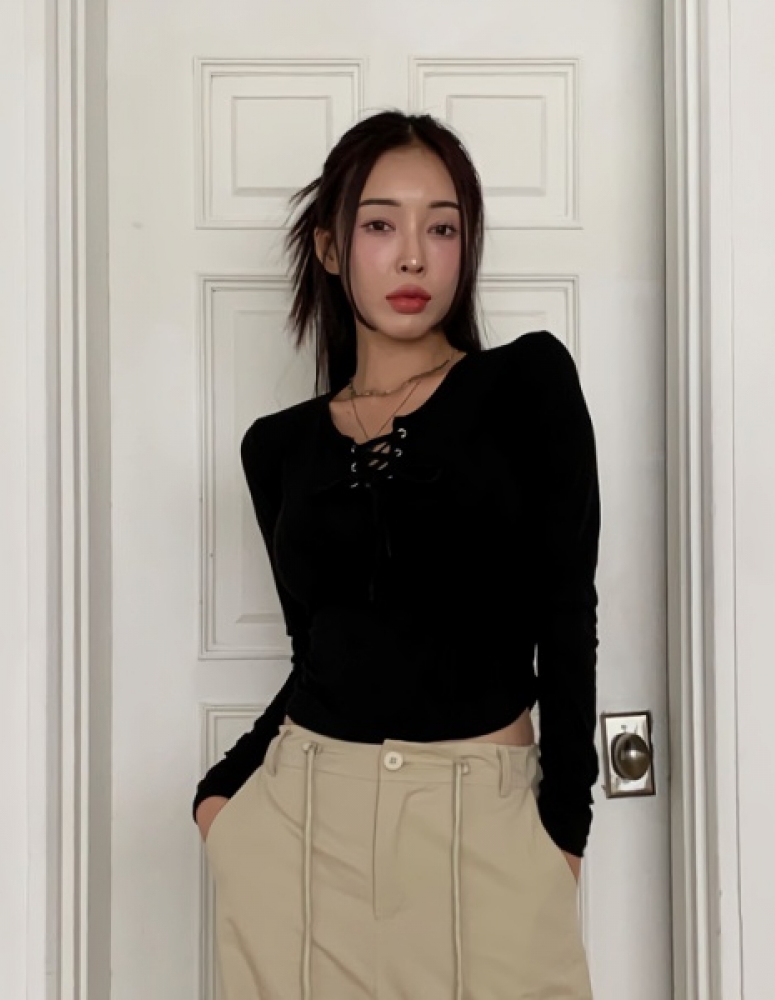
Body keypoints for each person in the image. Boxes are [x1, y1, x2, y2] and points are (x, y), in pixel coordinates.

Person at [192, 109, 601, 1000]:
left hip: (484, 828)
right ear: (330, 248)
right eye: (380, 224)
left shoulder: (525, 384)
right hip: (301, 829)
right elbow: (319, 649)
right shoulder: (278, 448)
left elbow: (568, 614)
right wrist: (222, 800)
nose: (414, 256)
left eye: (442, 228)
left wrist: (562, 837)